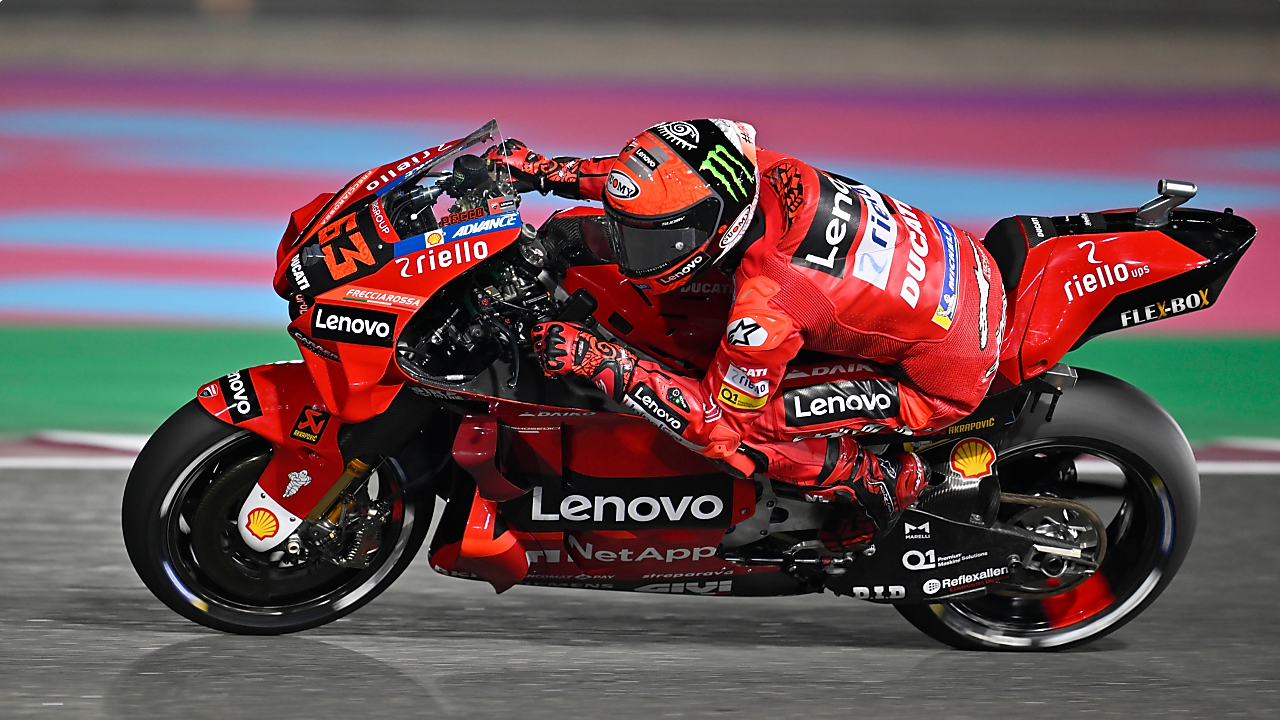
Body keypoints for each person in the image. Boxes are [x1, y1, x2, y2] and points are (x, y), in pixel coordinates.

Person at [485, 119, 1005, 548]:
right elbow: (660, 185)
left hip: (938, 374)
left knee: (746, 434)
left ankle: (881, 479)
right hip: (962, 265)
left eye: (655, 241)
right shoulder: (759, 171)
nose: (630, 253)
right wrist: (544, 172)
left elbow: (717, 426)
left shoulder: (768, 305)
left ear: (721, 225)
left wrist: (600, 359)